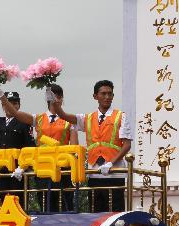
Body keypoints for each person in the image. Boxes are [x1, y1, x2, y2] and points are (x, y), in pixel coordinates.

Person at [0, 84, 78, 213]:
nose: (57, 98)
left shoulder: (68, 120)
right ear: (48, 98)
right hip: (43, 165)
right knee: (45, 202)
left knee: (66, 203)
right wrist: (2, 97)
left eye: (59, 96)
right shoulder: (38, 118)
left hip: (62, 166)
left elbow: (74, 147)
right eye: (54, 95)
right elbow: (15, 114)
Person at [51, 80, 132, 212]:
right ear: (95, 96)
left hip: (114, 172)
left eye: (110, 94)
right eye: (103, 93)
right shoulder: (87, 118)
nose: (107, 97)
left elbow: (127, 145)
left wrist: (111, 163)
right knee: (95, 213)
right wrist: (53, 99)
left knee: (115, 213)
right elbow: (63, 115)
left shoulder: (120, 116)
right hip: (94, 173)